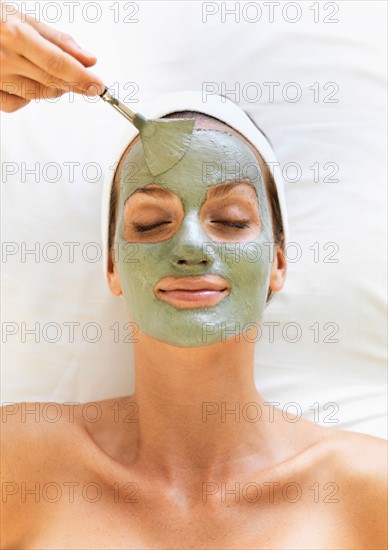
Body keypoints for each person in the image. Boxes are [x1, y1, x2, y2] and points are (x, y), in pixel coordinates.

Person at [1, 4, 386, 549]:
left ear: (278, 261)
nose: (190, 247)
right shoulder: (22, 463)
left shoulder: (366, 490)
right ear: (112, 266)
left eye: (230, 221)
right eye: (152, 223)